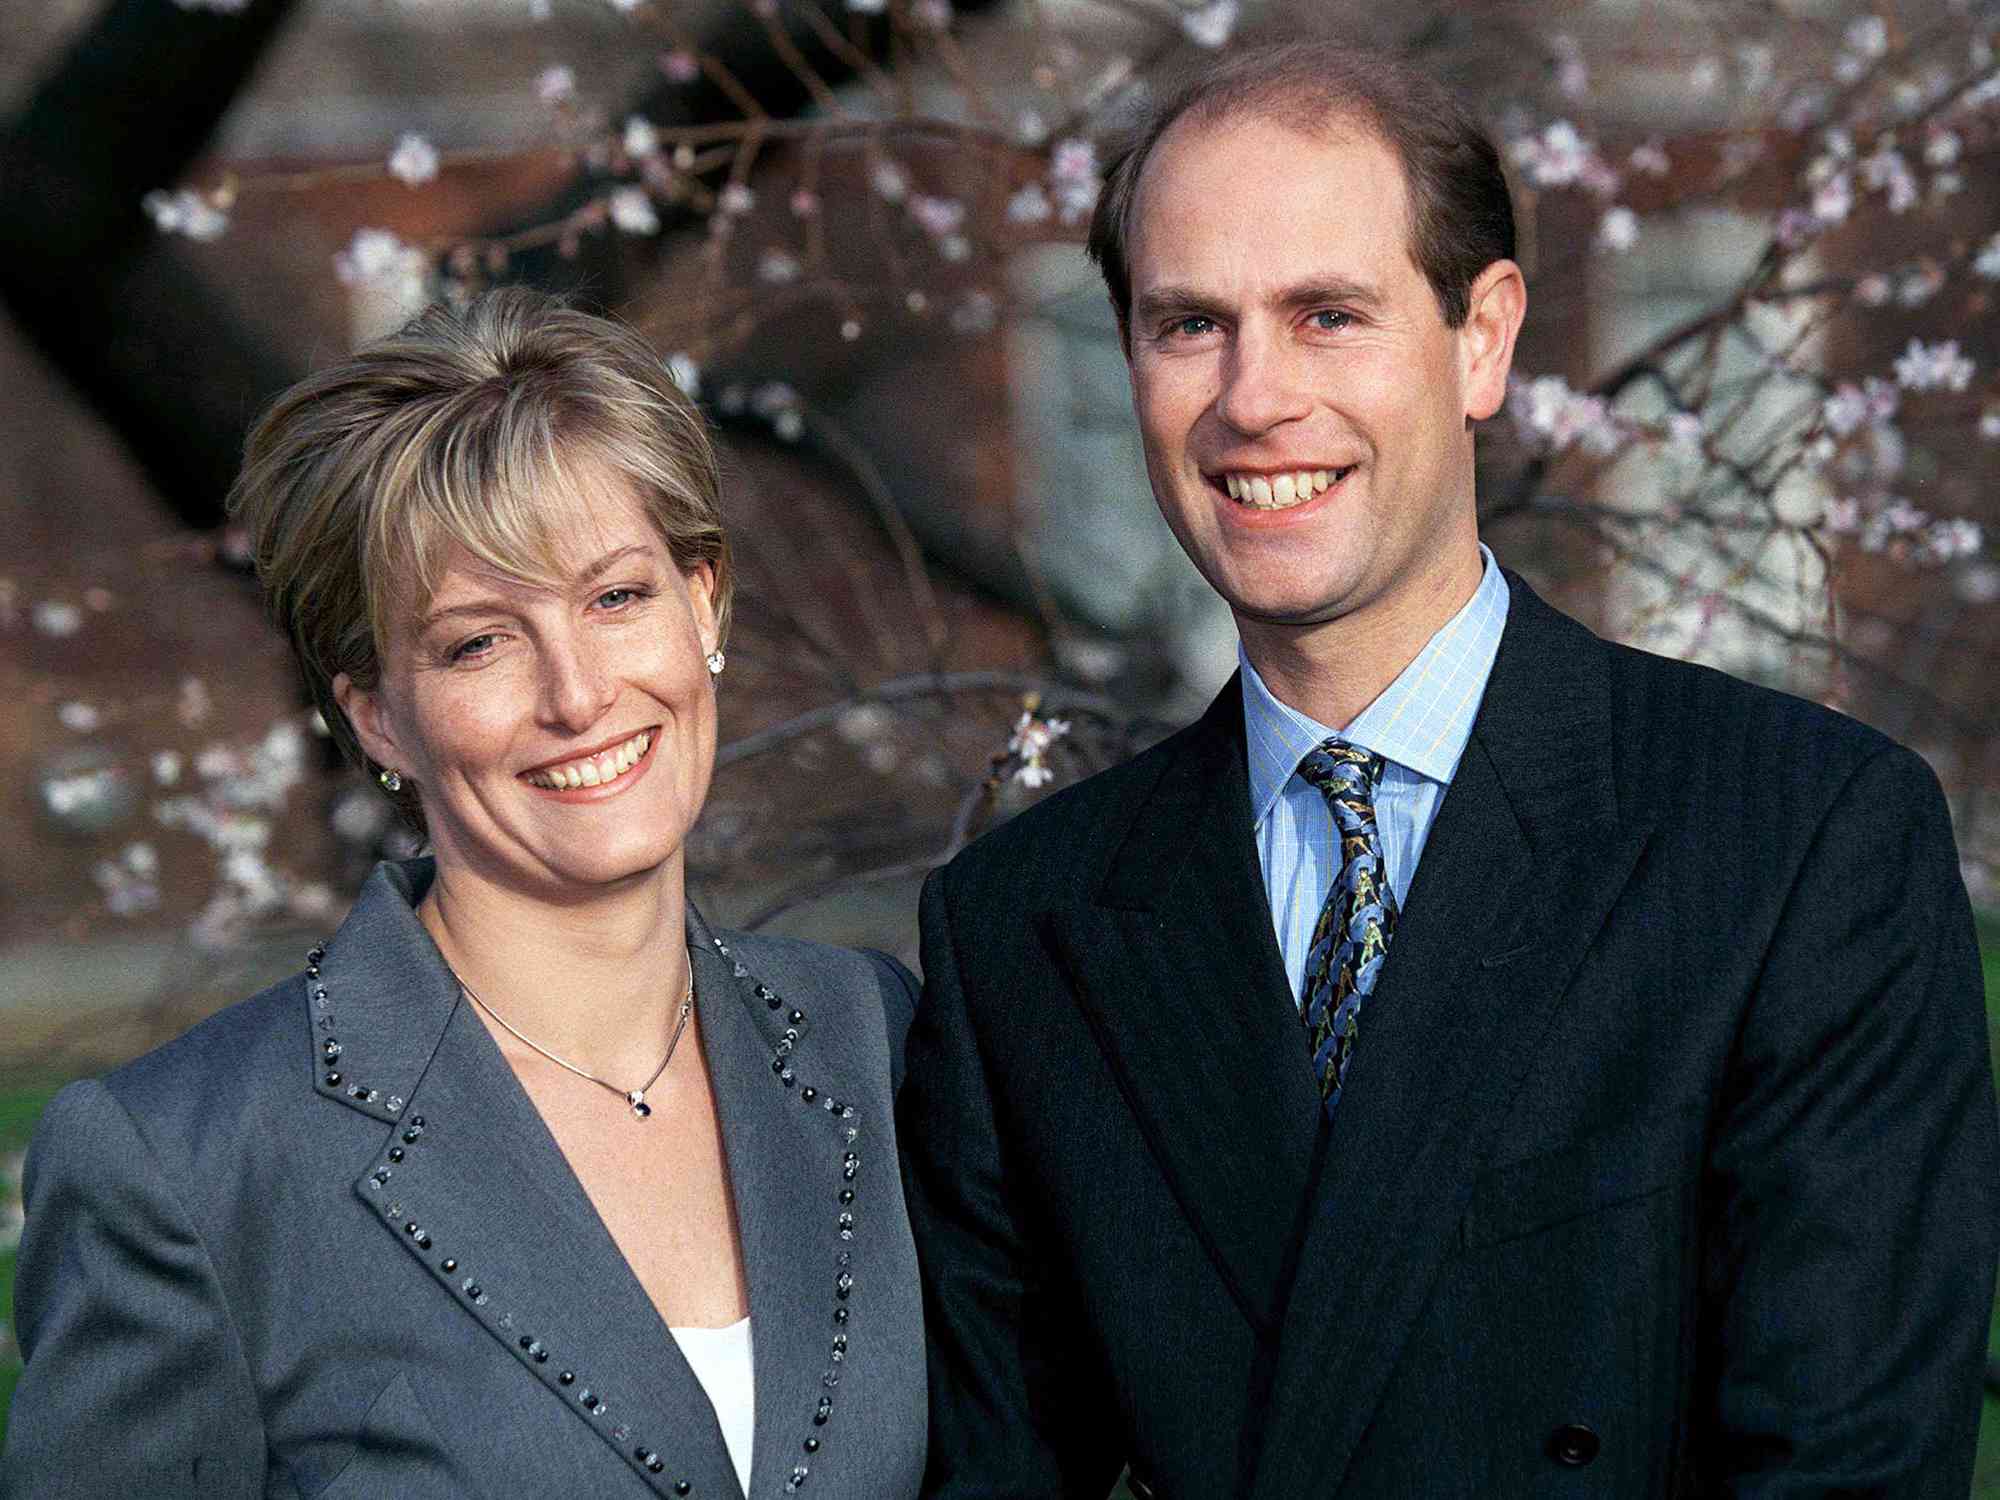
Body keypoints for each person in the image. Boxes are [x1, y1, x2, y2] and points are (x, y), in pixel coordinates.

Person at [897, 39, 2000, 1498]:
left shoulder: (1798, 842)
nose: (1255, 398)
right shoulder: (1021, 929)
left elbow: (1848, 1471)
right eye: (1189, 326)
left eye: (1328, 315)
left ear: (1482, 340)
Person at [4, 288, 926, 1499]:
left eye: (615, 598)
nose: (578, 694)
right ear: (376, 711)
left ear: (703, 601)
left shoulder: (877, 1041)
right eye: (477, 642)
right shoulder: (191, 1165)